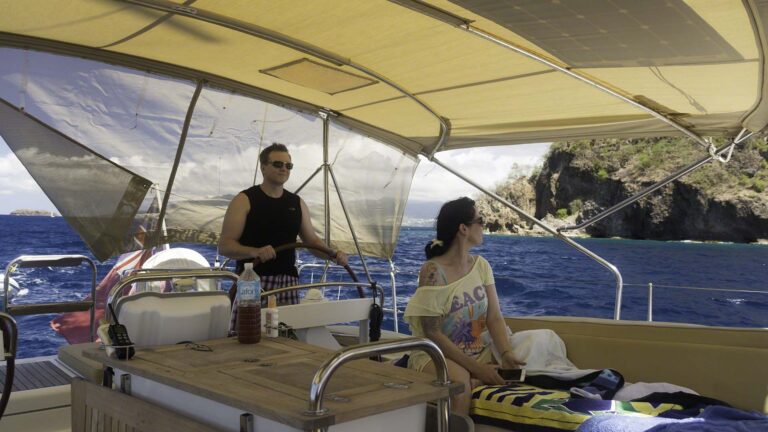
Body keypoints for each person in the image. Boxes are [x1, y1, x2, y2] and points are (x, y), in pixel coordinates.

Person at [403, 197, 524, 414]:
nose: (484, 226)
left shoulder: (481, 266)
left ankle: (476, 378)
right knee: (460, 385)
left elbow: (494, 317)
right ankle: (471, 383)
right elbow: (432, 332)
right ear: (463, 229)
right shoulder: (432, 271)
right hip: (437, 353)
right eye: (481, 220)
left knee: (530, 354)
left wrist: (506, 353)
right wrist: (476, 368)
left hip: (478, 350)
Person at [219, 143, 348, 310]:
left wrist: (332, 254)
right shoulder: (244, 200)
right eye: (278, 164)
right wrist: (255, 252)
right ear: (263, 168)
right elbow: (225, 246)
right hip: (253, 281)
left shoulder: (297, 203)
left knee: (287, 334)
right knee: (249, 333)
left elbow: (312, 241)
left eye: (288, 166)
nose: (284, 169)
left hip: (289, 282)